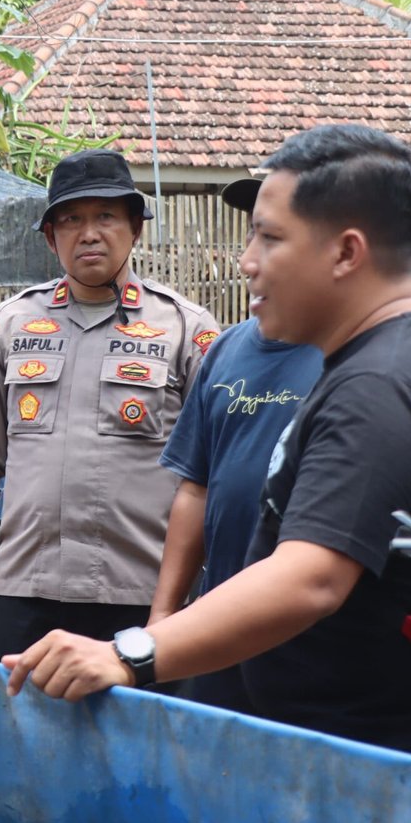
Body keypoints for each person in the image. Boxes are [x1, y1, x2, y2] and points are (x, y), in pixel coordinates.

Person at [2, 125, 411, 780]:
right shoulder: (367, 362)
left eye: (271, 238)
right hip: (347, 758)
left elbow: (310, 576)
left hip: (399, 780)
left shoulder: (381, 385)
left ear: (346, 253)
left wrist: (131, 649)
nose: (248, 260)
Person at [0, 149, 219, 661]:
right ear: (51, 238)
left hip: (145, 594)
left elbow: (214, 473)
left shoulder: (187, 329)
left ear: (135, 228)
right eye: (71, 219)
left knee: (135, 740)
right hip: (27, 588)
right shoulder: (14, 323)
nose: (89, 233)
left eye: (106, 216)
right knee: (25, 736)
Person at [150, 174, 324, 710]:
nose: (252, 258)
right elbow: (196, 489)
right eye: (254, 235)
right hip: (219, 622)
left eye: (274, 238)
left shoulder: (353, 360)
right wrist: (163, 615)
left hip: (311, 639)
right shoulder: (225, 350)